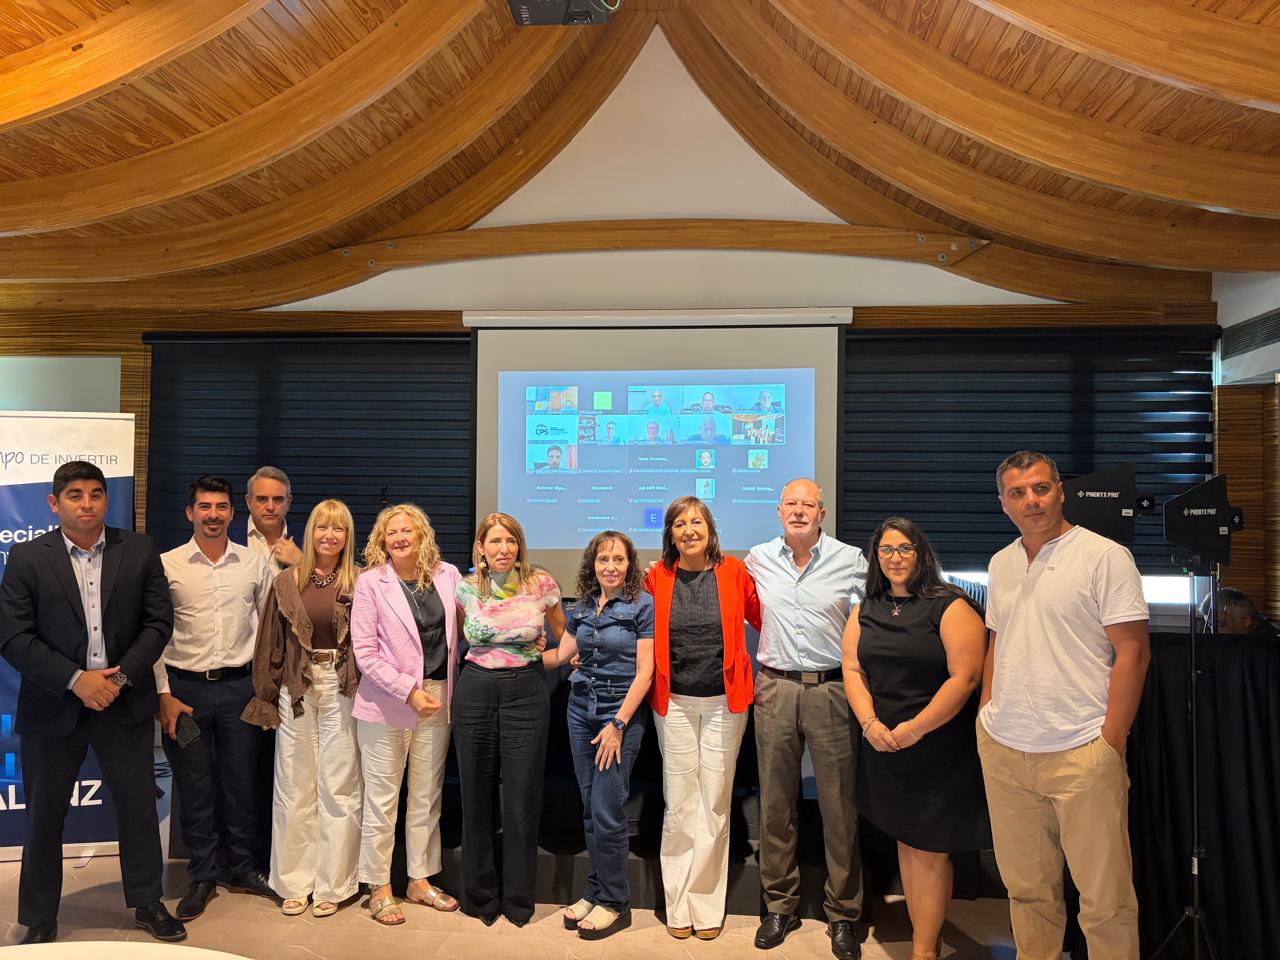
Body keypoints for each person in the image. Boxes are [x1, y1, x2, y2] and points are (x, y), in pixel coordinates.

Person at [0, 461, 185, 945]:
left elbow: (158, 624)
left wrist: (117, 680)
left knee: (137, 808)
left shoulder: (139, 550)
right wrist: (77, 680)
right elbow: (13, 636)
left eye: (96, 494)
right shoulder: (26, 557)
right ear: (54, 503)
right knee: (44, 816)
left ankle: (148, 902)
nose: (87, 504)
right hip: (53, 704)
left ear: (106, 500)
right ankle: (39, 916)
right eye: (75, 495)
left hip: (122, 702)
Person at [979, 450, 1150, 960]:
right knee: (1027, 893)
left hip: (1082, 752)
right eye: (1017, 493)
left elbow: (1134, 651)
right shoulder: (1001, 563)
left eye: (1040, 488)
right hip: (1007, 753)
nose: (1030, 500)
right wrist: (986, 715)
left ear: (1060, 491)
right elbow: (998, 641)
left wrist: (1110, 740)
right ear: (1003, 503)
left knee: (1105, 901)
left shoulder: (1104, 556)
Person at [842, 517, 989, 960]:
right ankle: (926, 940)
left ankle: (924, 951)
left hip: (936, 745)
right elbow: (852, 668)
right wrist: (870, 724)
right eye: (886, 550)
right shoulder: (867, 608)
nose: (895, 558)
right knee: (907, 843)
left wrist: (914, 729)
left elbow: (965, 678)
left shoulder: (950, 605)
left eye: (905, 548)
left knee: (929, 849)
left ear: (921, 552)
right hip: (884, 743)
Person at [747, 479, 868, 959]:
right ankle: (780, 906)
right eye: (791, 504)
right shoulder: (757, 559)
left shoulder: (851, 560)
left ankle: (843, 914)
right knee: (776, 804)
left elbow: (886, 606)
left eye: (808, 505)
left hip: (832, 688)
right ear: (779, 511)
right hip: (774, 687)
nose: (799, 511)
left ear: (822, 513)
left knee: (839, 806)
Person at [157, 476, 275, 921]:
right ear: (190, 513)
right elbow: (153, 634)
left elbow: (269, 630)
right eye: (204, 507)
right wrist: (162, 694)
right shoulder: (167, 565)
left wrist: (266, 690)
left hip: (239, 689)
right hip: (184, 691)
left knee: (242, 781)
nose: (213, 515)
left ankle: (244, 867)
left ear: (232, 512)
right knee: (195, 784)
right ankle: (203, 875)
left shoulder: (253, 563)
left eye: (221, 507)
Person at [644, 496, 760, 941]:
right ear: (670, 534)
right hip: (672, 702)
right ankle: (678, 904)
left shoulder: (735, 572)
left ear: (710, 529)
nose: (689, 530)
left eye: (696, 522)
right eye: (679, 524)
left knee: (714, 802)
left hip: (724, 704)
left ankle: (707, 905)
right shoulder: (656, 576)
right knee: (679, 804)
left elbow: (764, 620)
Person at [241, 499, 362, 918]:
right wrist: (265, 698)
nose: (329, 535)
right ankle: (293, 882)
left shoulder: (361, 582)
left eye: (338, 528)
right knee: (293, 786)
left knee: (339, 787)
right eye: (322, 527)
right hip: (296, 688)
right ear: (310, 532)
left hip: (343, 687)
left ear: (348, 536)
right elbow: (269, 643)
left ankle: (333, 883)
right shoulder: (286, 581)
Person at [349, 504, 463, 925]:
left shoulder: (448, 575)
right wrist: (408, 692)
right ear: (382, 541)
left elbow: (472, 623)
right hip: (387, 701)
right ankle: (379, 887)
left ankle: (419, 880)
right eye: (391, 532)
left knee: (426, 796)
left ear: (422, 535)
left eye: (406, 530)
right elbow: (365, 653)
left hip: (438, 696)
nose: (399, 538)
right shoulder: (370, 583)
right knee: (382, 800)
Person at [453, 512, 564, 926]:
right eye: (495, 541)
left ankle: (518, 900)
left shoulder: (541, 584)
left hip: (527, 693)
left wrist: (551, 659)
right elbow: (460, 639)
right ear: (480, 548)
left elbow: (563, 634)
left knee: (521, 799)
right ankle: (479, 898)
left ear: (520, 546)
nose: (504, 549)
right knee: (475, 795)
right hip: (475, 690)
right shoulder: (464, 588)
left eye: (511, 541)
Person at [543, 531, 654, 940]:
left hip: (618, 716)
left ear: (629, 565)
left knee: (608, 809)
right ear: (593, 563)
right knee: (591, 808)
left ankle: (614, 901)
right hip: (579, 711)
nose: (611, 566)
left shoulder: (643, 605)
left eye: (618, 559)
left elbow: (646, 673)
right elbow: (561, 655)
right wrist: (511, 653)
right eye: (603, 559)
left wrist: (618, 725)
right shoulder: (584, 605)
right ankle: (594, 891)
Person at [236, 466, 302, 574]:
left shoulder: (308, 539)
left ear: (288, 502)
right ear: (249, 502)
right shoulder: (227, 537)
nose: (270, 507)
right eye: (262, 499)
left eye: (278, 499)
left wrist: (301, 564)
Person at [1207, 587, 1278, 640]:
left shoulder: (1271, 645)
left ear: (1245, 620)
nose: (1213, 632)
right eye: (1211, 626)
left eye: (1220, 625)